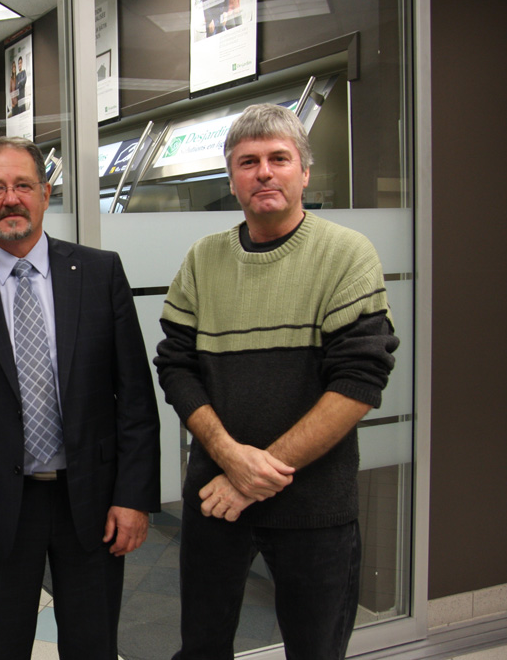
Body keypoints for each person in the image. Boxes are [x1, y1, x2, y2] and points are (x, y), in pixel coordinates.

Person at [154, 104, 399, 660]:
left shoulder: (346, 254)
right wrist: (228, 457)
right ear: (232, 178)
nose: (263, 172)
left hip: (314, 506)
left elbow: (359, 381)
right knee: (202, 647)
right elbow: (176, 365)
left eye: (278, 158)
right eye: (248, 162)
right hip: (215, 501)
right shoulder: (203, 259)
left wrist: (249, 476)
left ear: (304, 172)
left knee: (315, 649)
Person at [0, 137, 161, 659]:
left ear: (45, 194)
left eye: (23, 185)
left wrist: (134, 496)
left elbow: (135, 400)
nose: (11, 198)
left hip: (93, 499)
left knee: (93, 644)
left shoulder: (100, 273)